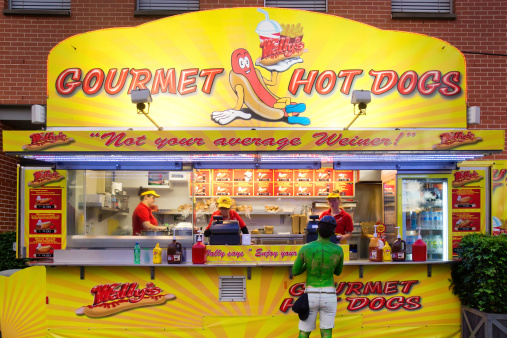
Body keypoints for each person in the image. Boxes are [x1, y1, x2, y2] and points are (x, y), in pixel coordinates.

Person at [292, 215, 344, 338]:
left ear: (317, 230)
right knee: (326, 332)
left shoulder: (306, 248)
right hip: (329, 295)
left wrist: (307, 264)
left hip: (311, 295)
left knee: (304, 332)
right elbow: (338, 272)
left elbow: (295, 271)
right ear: (333, 233)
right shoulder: (338, 250)